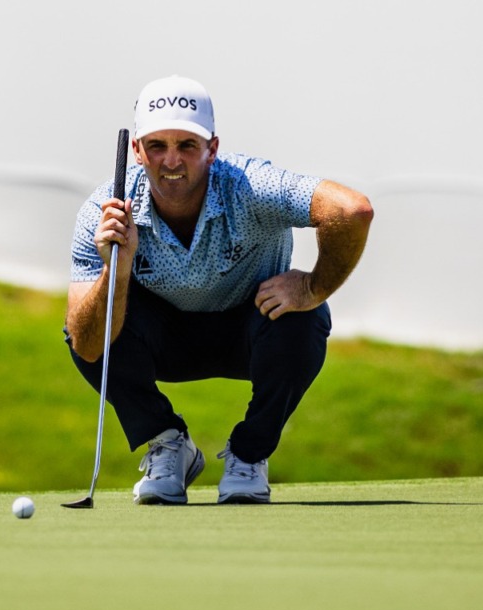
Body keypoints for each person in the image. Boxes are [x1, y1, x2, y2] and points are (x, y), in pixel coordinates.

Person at [64, 75, 373, 505]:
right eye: (157, 145)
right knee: (84, 323)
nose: (171, 160)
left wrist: (312, 286)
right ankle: (167, 443)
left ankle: (249, 454)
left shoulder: (251, 184)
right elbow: (88, 343)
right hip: (162, 338)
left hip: (250, 328)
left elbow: (351, 210)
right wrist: (120, 267)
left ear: (212, 148)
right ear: (136, 151)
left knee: (306, 316)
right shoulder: (106, 212)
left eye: (187, 145)